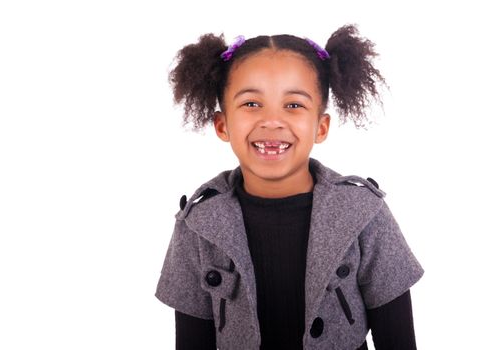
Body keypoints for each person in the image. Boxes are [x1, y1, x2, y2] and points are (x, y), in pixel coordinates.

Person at [155, 24, 425, 350]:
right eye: (252, 104)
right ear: (222, 124)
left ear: (320, 126)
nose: (272, 121)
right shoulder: (196, 224)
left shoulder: (365, 213)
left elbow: (399, 341)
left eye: (294, 105)